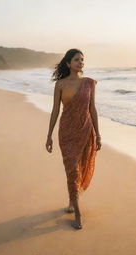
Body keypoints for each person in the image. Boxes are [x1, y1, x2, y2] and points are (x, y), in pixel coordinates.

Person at [45, 48, 102, 230]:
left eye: (82, 60)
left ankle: (72, 201)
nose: (81, 63)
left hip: (85, 131)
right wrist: (49, 135)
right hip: (67, 133)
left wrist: (98, 134)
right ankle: (77, 212)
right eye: (77, 60)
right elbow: (55, 110)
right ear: (68, 63)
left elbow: (92, 109)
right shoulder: (60, 85)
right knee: (72, 170)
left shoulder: (89, 83)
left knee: (80, 167)